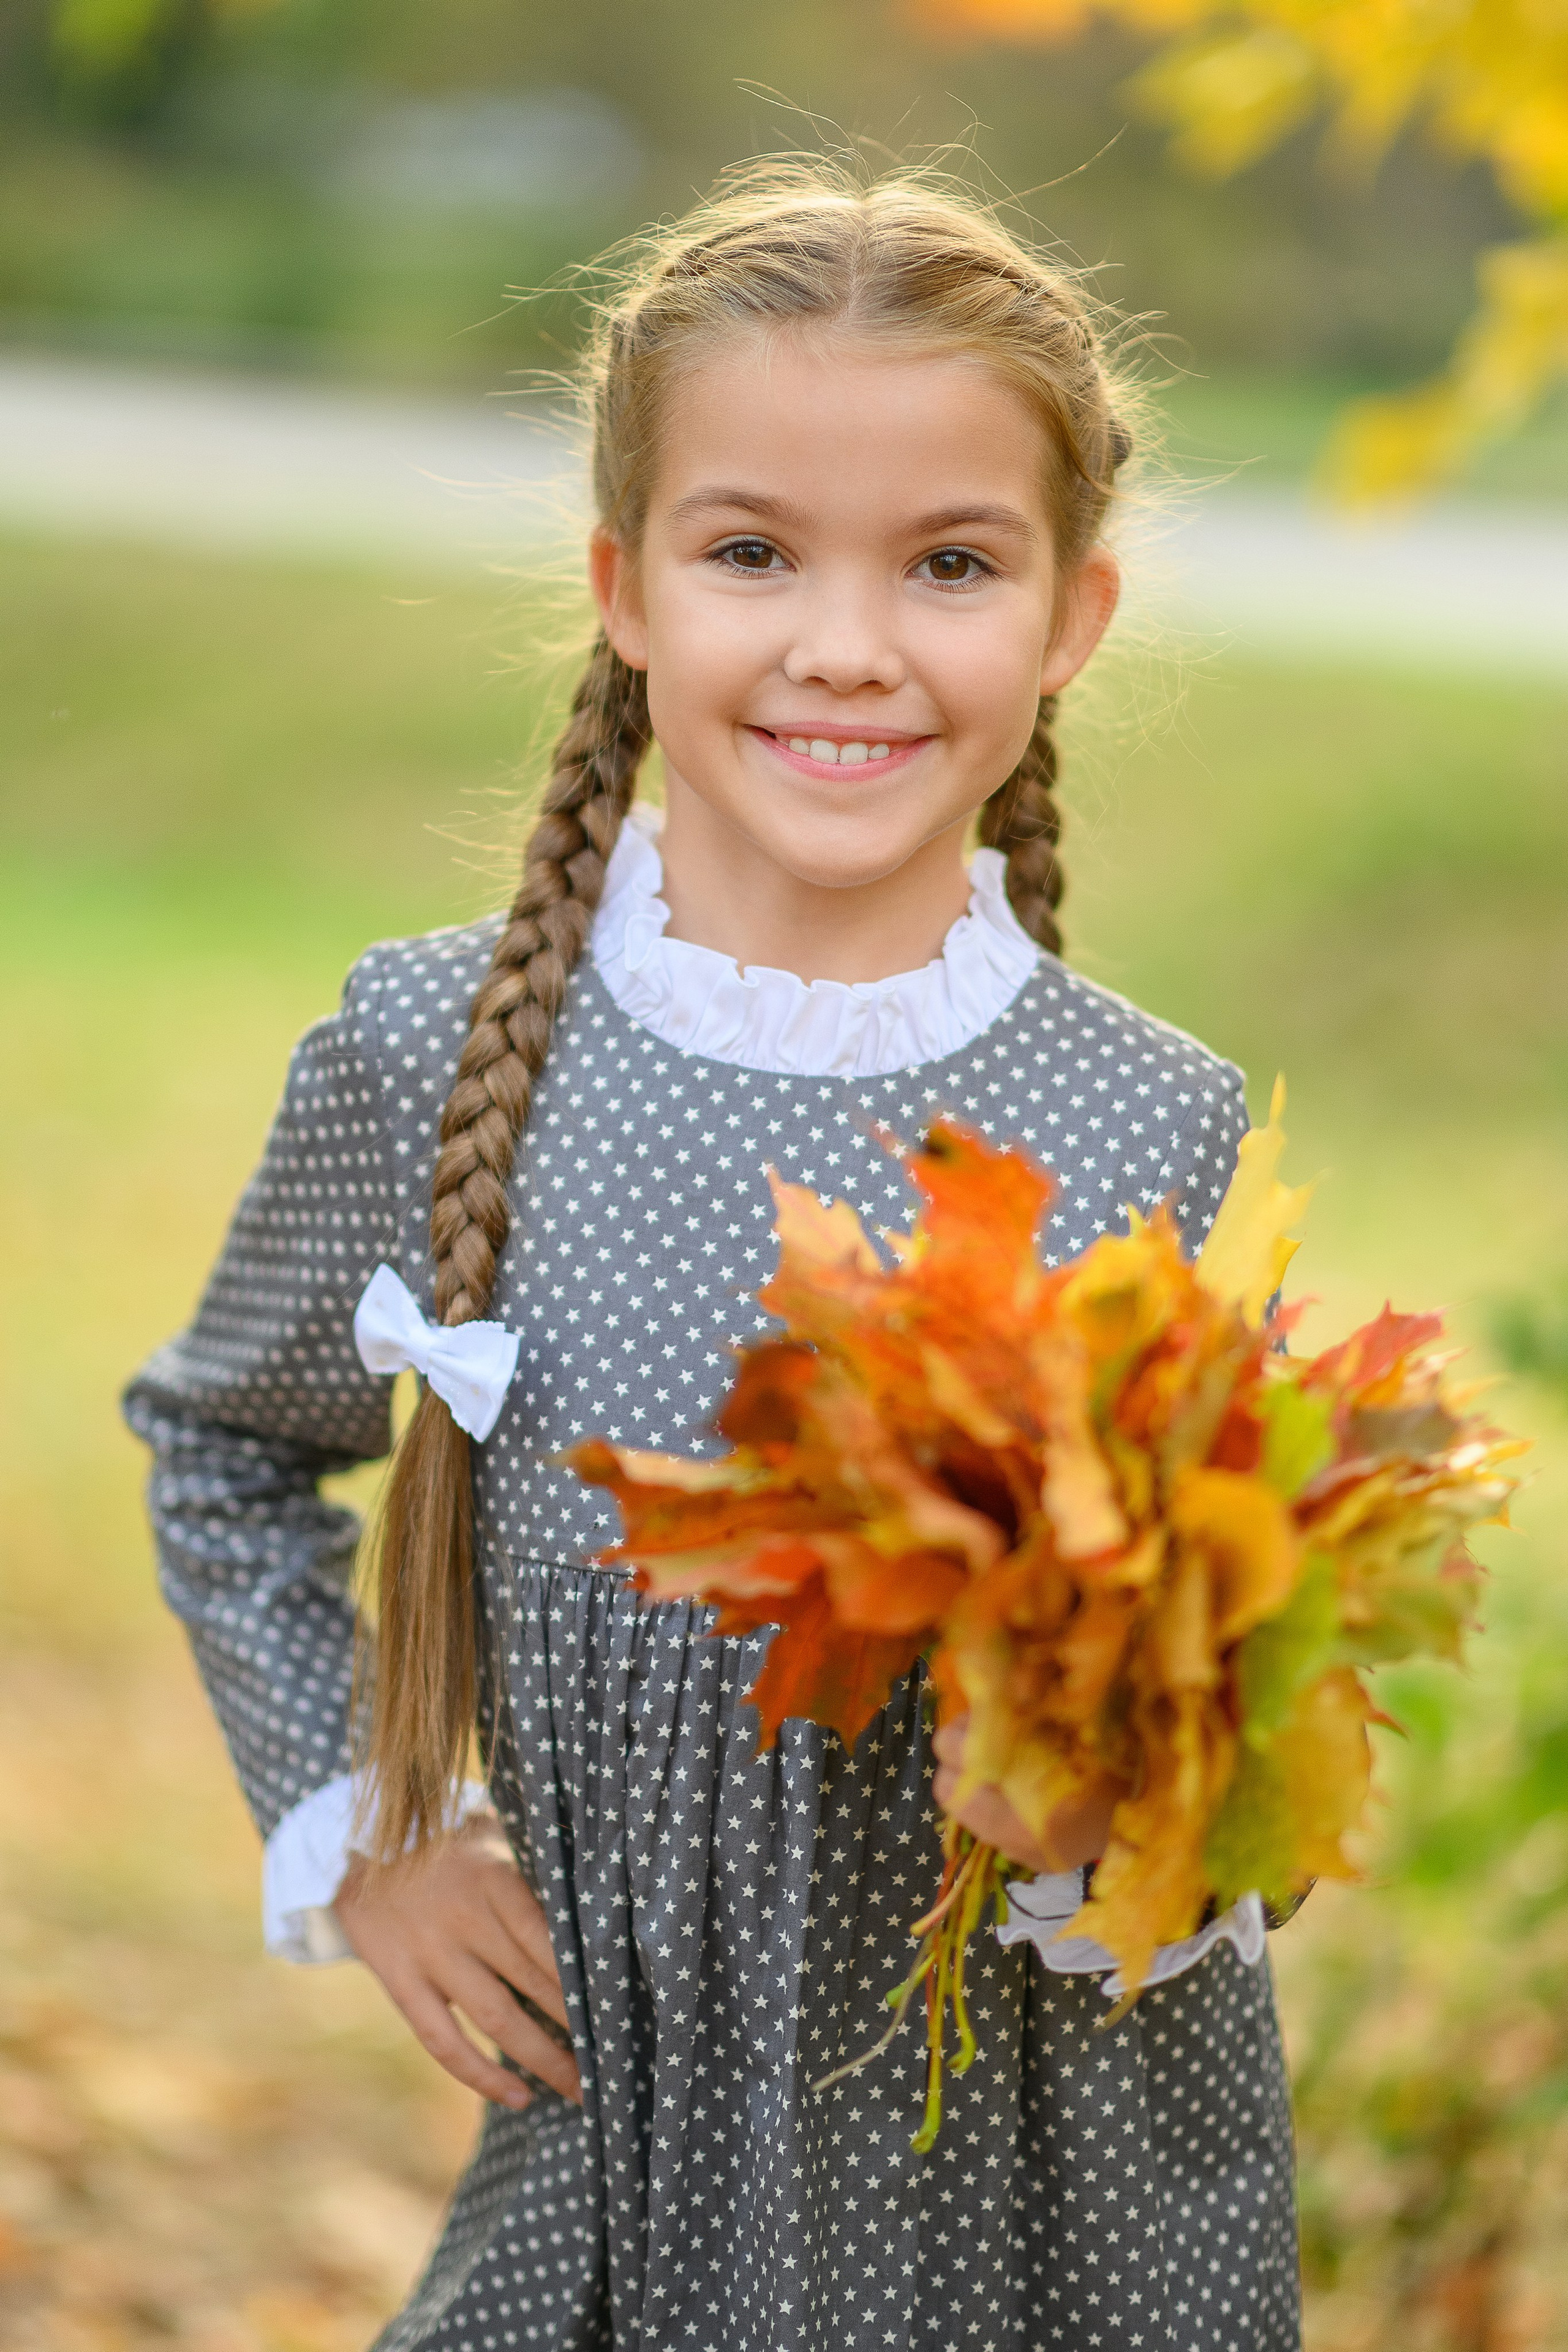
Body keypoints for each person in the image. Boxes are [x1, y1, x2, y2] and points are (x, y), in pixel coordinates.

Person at [125, 161, 1300, 2352]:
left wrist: (1111, 1788)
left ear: (1069, 622)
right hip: (630, 2159)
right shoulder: (429, 1050)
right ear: (626, 590)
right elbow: (221, 1449)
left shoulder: (1155, 1127)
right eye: (753, 550)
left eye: (950, 563)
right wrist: (365, 1827)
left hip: (1048, 2198)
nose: (845, 642)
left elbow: (1221, 1696)